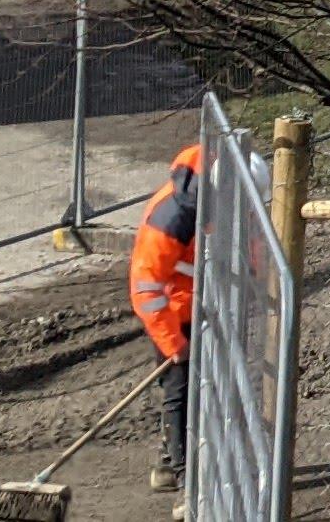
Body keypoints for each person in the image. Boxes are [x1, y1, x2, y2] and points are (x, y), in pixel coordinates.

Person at [126, 140, 203, 499]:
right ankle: (188, 484)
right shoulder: (169, 219)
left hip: (200, 307)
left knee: (191, 393)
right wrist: (175, 344)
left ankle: (167, 463)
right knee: (180, 391)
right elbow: (147, 291)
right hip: (172, 315)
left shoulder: (218, 194)